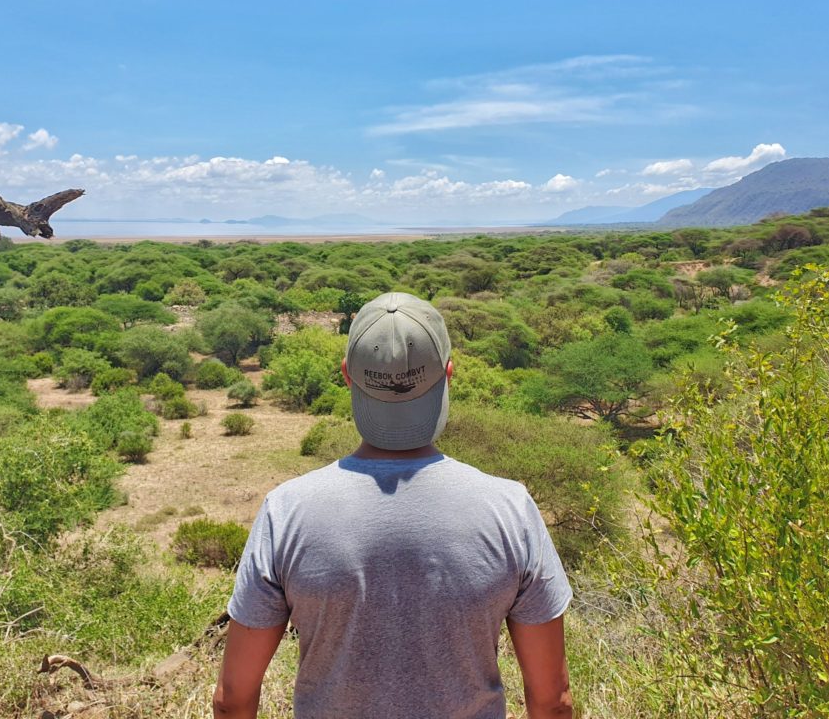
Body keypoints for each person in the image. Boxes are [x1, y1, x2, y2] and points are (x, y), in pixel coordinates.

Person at [213, 292, 573, 719]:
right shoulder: (510, 509)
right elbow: (552, 701)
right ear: (448, 375)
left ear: (348, 376)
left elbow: (233, 696)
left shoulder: (286, 510)